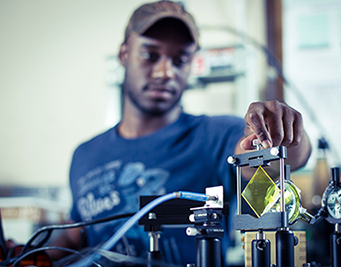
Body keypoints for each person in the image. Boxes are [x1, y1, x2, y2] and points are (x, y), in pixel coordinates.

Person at [50, 1, 312, 265]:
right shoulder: (85, 155)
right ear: (124, 54)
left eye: (180, 59)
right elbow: (76, 235)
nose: (165, 72)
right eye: (151, 55)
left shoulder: (214, 136)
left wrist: (281, 131)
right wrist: (31, 254)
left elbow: (281, 159)